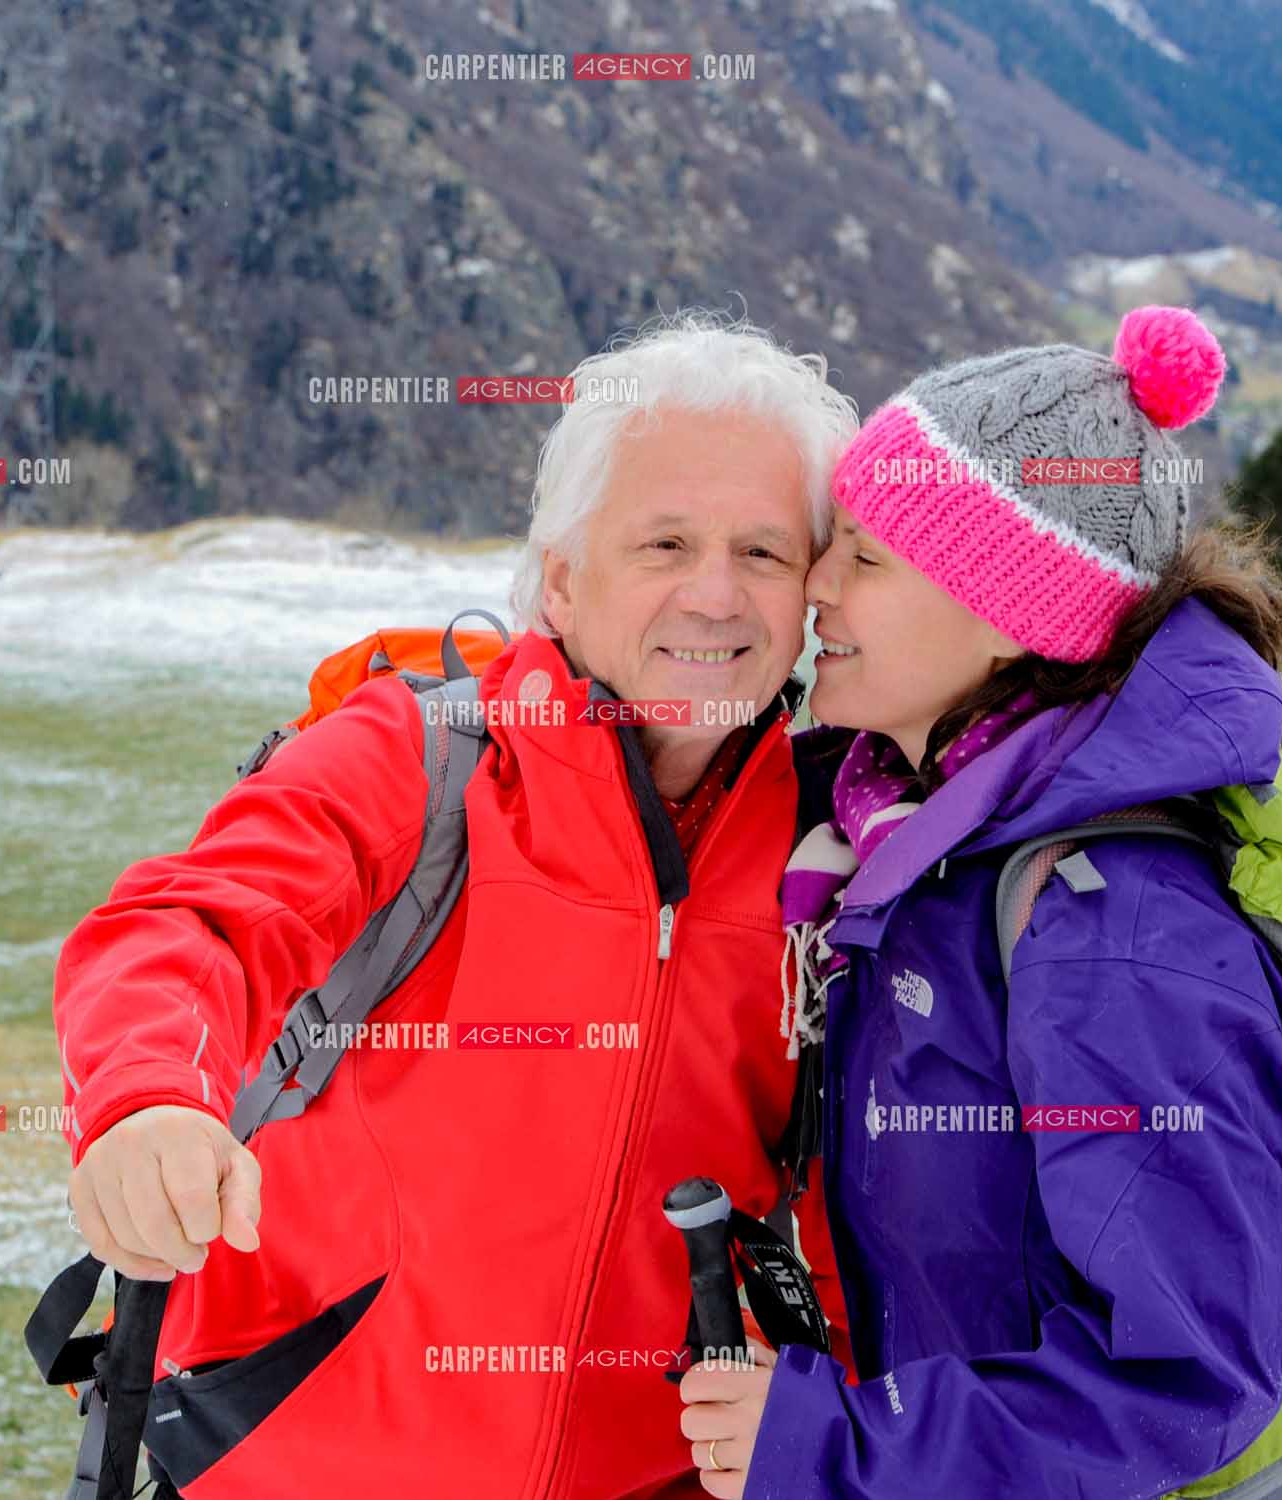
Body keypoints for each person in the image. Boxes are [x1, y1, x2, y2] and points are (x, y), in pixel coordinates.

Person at [52, 309, 858, 1498]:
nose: (714, 597)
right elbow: (187, 925)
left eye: (763, 553)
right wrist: (143, 1103)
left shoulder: (831, 849)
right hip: (302, 1469)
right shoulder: (418, 760)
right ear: (563, 583)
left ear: (809, 597)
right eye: (665, 545)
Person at [675, 307, 1282, 1498]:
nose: (815, 589)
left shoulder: (1116, 938)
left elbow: (1183, 1377)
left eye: (868, 561)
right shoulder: (912, 838)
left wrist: (838, 1451)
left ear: (1011, 621)